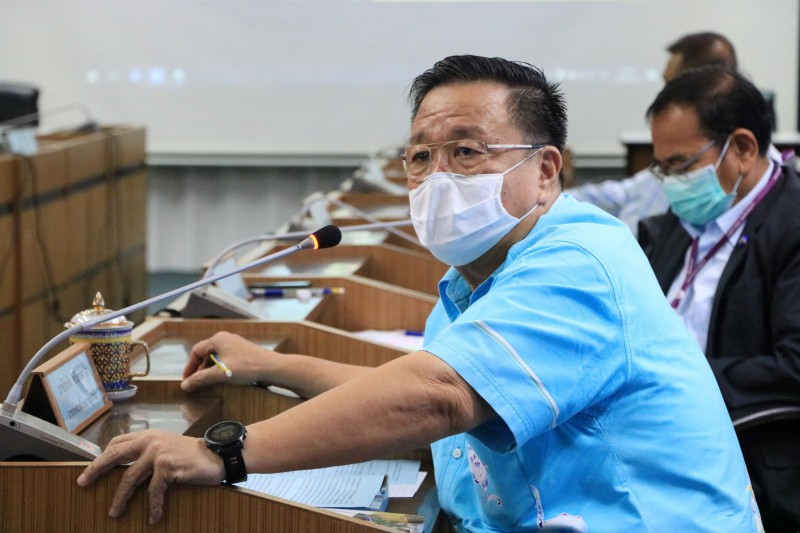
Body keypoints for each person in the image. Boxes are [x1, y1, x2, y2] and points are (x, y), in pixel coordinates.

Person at [77, 55, 763, 531]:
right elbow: (421, 384)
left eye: (466, 152)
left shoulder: (580, 261)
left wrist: (224, 451)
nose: (436, 177)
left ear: (546, 170)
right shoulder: (477, 273)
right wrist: (275, 365)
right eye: (420, 156)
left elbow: (439, 395)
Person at [638, 66, 800, 532]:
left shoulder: (791, 226)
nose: (670, 182)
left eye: (681, 165)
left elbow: (793, 365)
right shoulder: (675, 224)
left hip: (753, 461)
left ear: (743, 148)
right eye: (662, 168)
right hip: (662, 444)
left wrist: (680, 378)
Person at [569, 32, 739, 235]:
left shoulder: (706, 193)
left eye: (670, 85)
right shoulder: (669, 164)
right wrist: (554, 199)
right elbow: (624, 193)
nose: (664, 96)